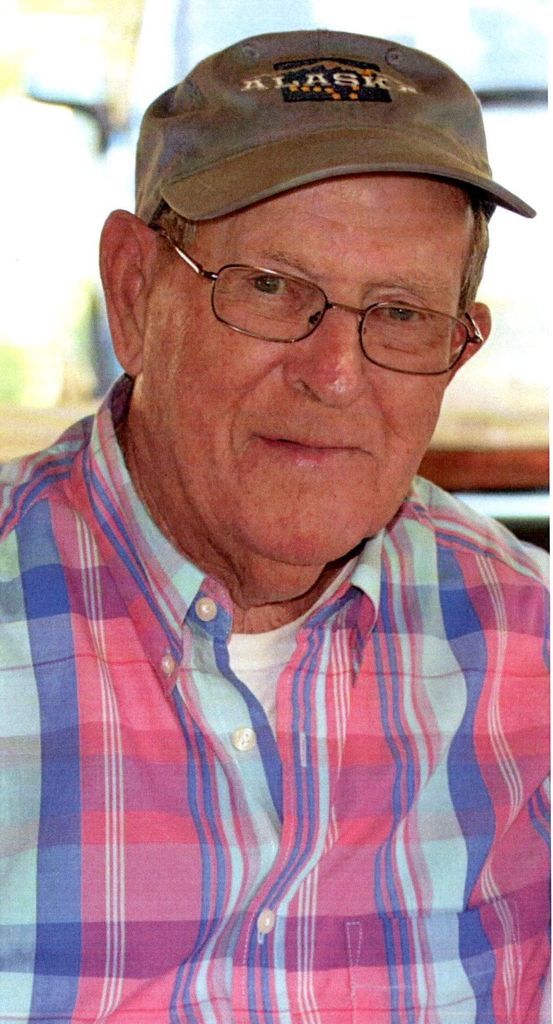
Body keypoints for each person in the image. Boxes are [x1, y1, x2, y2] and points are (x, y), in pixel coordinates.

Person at [0, 28, 548, 1024]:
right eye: (270, 287)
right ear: (133, 291)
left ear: (460, 347)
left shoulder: (531, 646)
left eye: (399, 313)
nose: (334, 374)